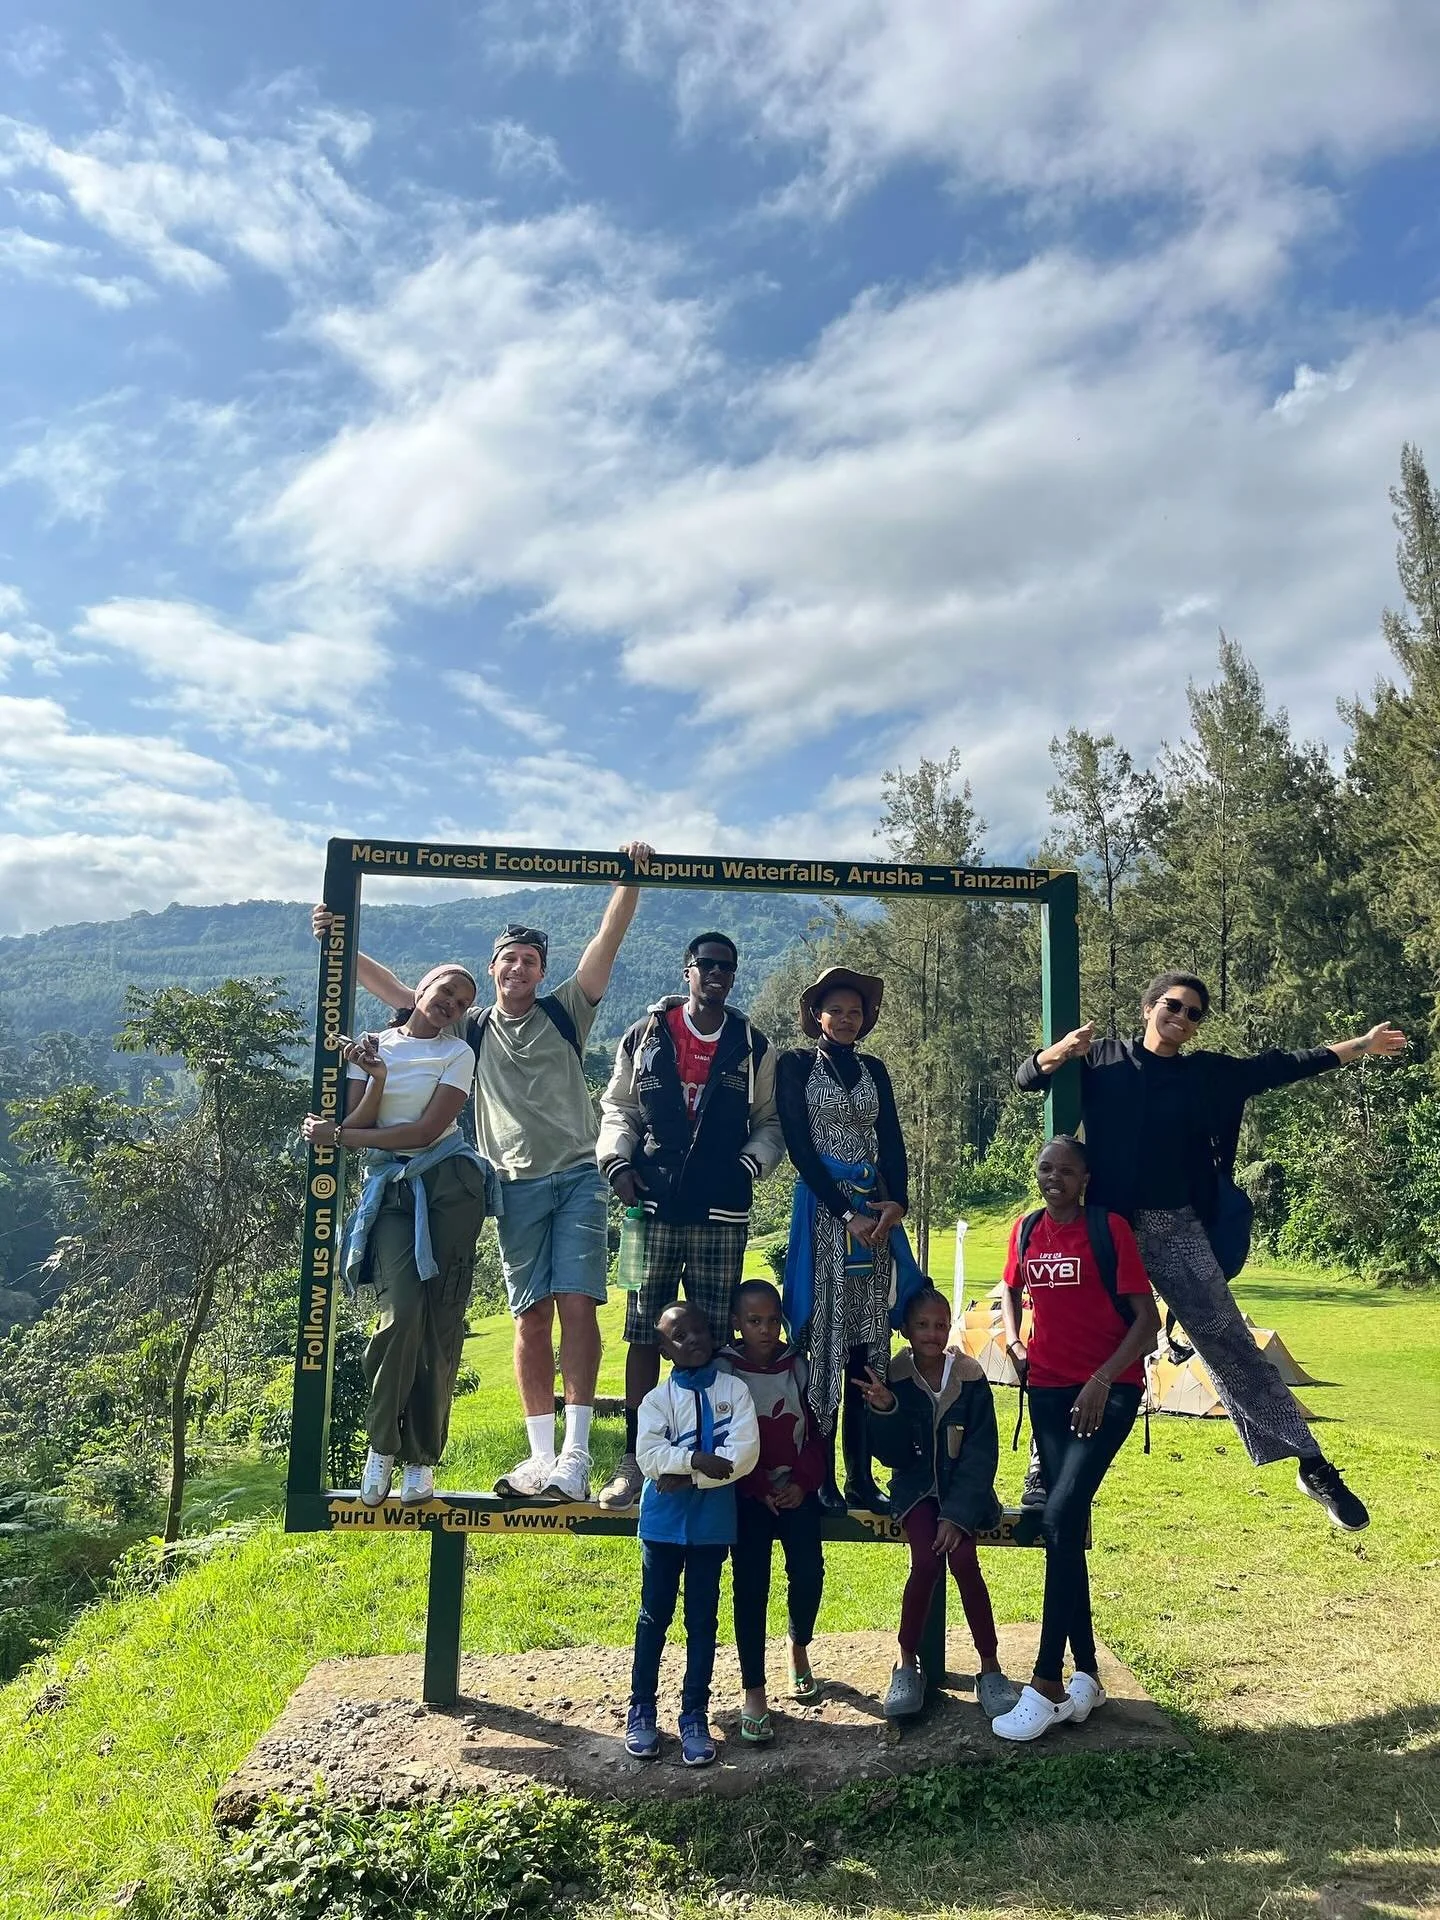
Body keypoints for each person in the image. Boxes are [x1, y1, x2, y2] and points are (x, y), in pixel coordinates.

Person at [312, 841, 653, 1505]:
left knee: (578, 1306)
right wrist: (338, 941)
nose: (519, 968)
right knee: (530, 1319)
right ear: (495, 972)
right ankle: (540, 1459)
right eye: (509, 960)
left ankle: (576, 1458)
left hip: (578, 1176)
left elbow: (607, 938)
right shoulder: (471, 1027)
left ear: (541, 971)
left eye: (530, 961)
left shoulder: (565, 1010)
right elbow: (401, 995)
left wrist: (628, 877)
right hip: (513, 1187)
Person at [1017, 972, 1405, 1531]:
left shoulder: (1208, 1075)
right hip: (1103, 1224)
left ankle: (1311, 1463)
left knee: (1228, 1341)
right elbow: (1027, 1079)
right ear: (1149, 1007)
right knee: (1068, 1334)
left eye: (1194, 1012)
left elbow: (1283, 1065)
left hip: (1174, 1226)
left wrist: (1361, 1047)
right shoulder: (1100, 1059)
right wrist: (1056, 1053)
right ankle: (1042, 1465)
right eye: (1172, 1005)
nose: (1181, 1017)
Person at [595, 932, 784, 1509]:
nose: (718, 974)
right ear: (687, 971)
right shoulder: (645, 1033)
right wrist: (617, 1164)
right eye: (707, 965)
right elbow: (619, 1108)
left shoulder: (752, 1043)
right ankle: (637, 1457)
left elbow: (770, 1120)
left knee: (715, 1337)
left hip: (721, 1211)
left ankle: (716, 1452)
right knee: (643, 1329)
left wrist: (749, 1167)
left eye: (728, 965)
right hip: (652, 1204)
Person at [990, 1136, 1161, 1743]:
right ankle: (1086, 1672)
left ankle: (1045, 1683)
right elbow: (1008, 1288)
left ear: (1085, 1177)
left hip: (1108, 1392)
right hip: (1048, 1390)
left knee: (1059, 1514)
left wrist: (1101, 1379)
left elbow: (1148, 1320)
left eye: (1065, 1170)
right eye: (1044, 1168)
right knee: (1066, 1522)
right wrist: (1014, 1344)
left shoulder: (1108, 1229)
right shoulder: (1027, 1229)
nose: (1053, 1177)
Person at [302, 964, 492, 1506]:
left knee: (440, 1323)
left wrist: (338, 1136)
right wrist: (374, 1079)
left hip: (449, 1189)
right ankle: (381, 1446)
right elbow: (360, 1116)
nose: (450, 1003)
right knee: (400, 1315)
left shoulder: (457, 1054)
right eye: (444, 991)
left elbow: (427, 1130)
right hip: (391, 1195)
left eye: (461, 1001)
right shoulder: (374, 1045)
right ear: (421, 990)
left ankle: (421, 1458)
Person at [777, 966, 921, 1512]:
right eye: (835, 1010)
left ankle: (862, 1475)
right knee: (822, 1340)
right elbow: (798, 1144)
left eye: (854, 1012)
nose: (844, 1019)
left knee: (864, 1346)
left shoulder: (874, 1070)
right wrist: (842, 1212)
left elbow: (891, 1139)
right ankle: (820, 1475)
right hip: (824, 1214)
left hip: (874, 1217)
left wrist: (897, 1202)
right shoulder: (794, 1067)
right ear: (817, 1014)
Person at [853, 1286, 1017, 1721]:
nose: (932, 1333)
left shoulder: (970, 1377)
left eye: (941, 1324)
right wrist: (886, 1410)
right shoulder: (896, 1377)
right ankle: (907, 1663)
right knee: (926, 1562)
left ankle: (990, 1667)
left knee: (964, 1561)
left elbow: (982, 1454)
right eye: (922, 1325)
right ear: (905, 1329)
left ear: (951, 1328)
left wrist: (958, 1515)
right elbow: (895, 1457)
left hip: (965, 1496)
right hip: (916, 1492)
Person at [627, 1300, 760, 1767]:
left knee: (702, 1621)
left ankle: (694, 1715)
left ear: (714, 1332)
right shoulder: (656, 1401)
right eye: (679, 1336)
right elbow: (649, 1457)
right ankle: (641, 1709)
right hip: (662, 1526)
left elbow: (742, 1455)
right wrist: (699, 1460)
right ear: (664, 1349)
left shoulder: (734, 1391)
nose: (693, 1340)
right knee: (654, 1616)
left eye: (699, 1330)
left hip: (711, 1526)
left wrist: (688, 1474)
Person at [722, 1279, 827, 1744]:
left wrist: (803, 1483)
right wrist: (755, 1485)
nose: (765, 1330)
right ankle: (754, 1691)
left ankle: (798, 1646)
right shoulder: (725, 1371)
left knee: (808, 1571)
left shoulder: (798, 1366)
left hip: (796, 1491)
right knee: (751, 1584)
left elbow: (820, 1432)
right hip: (746, 1494)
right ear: (736, 1324)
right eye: (753, 1321)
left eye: (771, 1320)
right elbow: (719, 1439)